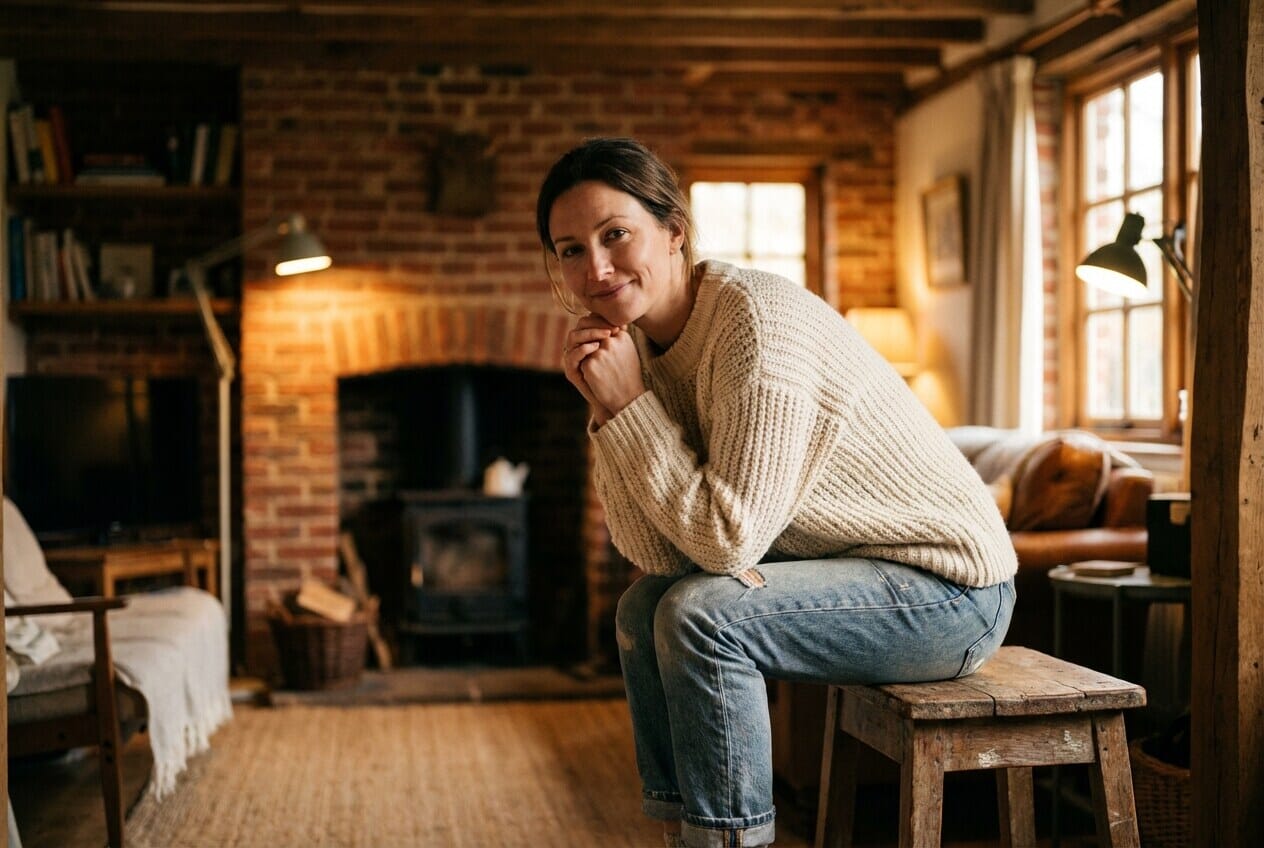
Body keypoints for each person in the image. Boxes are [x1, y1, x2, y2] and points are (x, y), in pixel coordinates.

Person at [536, 138, 1016, 848]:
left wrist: (630, 407)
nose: (596, 268)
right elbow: (655, 555)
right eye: (571, 249)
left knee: (704, 615)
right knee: (644, 606)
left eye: (615, 235)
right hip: (854, 572)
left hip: (950, 592)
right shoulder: (637, 349)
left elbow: (725, 544)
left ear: (674, 232)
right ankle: (687, 835)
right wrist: (613, 410)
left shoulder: (754, 324)